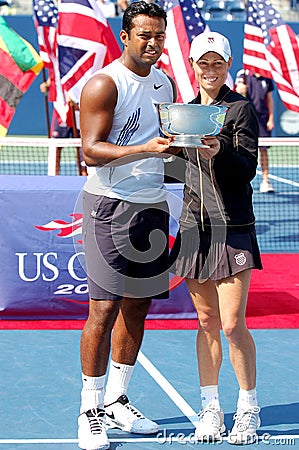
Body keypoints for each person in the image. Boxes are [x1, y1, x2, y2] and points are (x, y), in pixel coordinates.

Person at [78, 2, 179, 449]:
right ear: (125, 35)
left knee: (137, 307)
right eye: (145, 35)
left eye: (159, 35)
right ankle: (90, 409)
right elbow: (90, 151)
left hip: (152, 206)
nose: (154, 43)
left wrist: (183, 149)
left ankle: (118, 400)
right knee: (102, 311)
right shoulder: (104, 83)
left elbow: (164, 144)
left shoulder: (165, 83)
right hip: (109, 207)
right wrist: (145, 151)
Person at [170, 32, 262, 445]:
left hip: (233, 228)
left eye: (217, 63)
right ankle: (211, 408)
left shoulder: (240, 109)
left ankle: (248, 408)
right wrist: (167, 150)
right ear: (192, 65)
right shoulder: (182, 112)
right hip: (194, 228)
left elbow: (246, 167)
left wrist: (216, 151)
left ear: (228, 64)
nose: (210, 70)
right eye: (202, 63)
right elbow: (177, 171)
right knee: (206, 322)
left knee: (230, 324)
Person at [235, 70, 275, 193]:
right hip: (246, 118)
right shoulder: (244, 74)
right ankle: (240, 180)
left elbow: (270, 100)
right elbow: (238, 89)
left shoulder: (267, 78)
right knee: (242, 150)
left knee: (263, 150)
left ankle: (265, 180)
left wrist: (271, 118)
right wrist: (242, 88)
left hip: (262, 120)